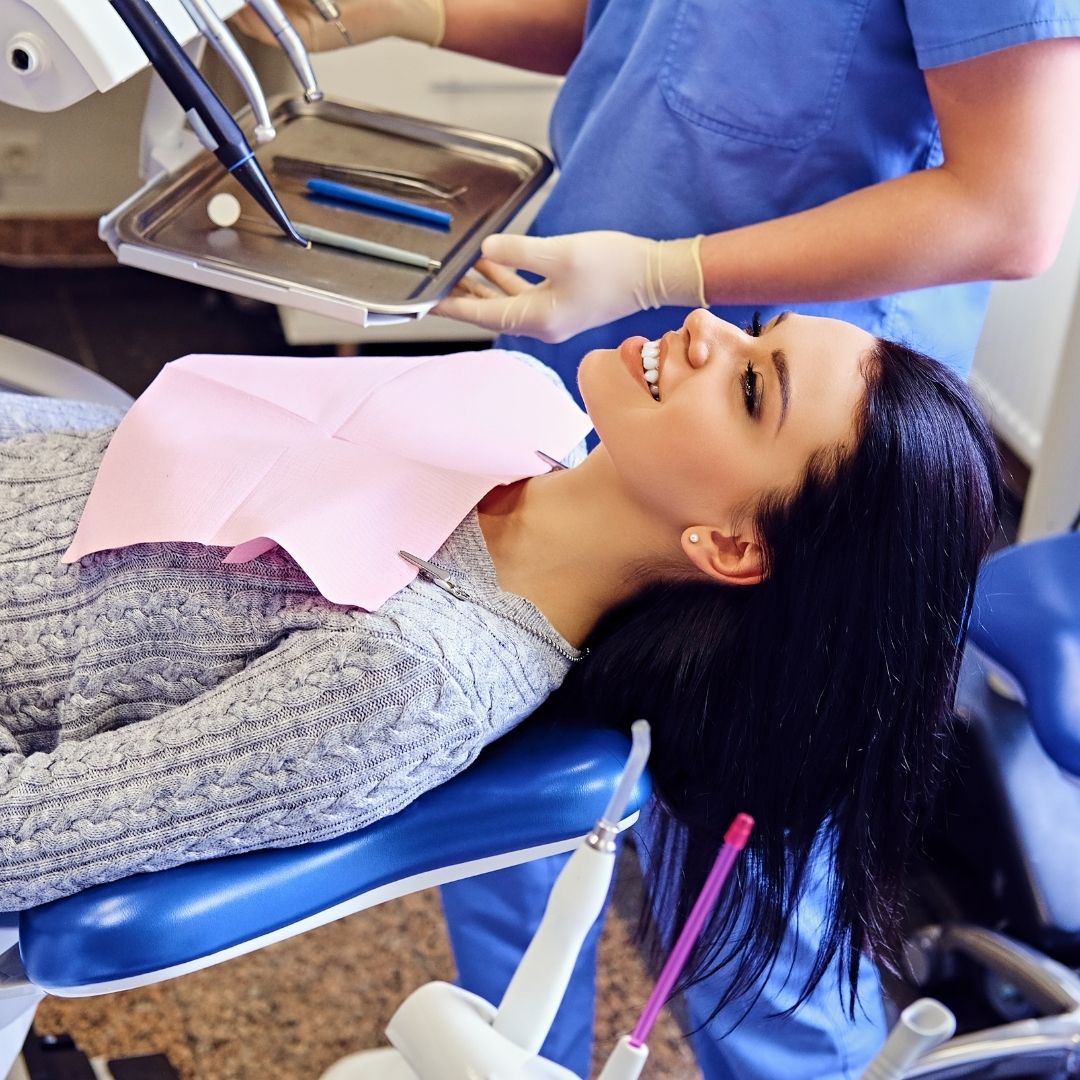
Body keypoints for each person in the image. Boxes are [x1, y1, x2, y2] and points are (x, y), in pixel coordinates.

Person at [232, 3, 1079, 1074]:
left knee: (752, 917)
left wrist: (670, 276)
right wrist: (414, 14)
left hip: (790, 464)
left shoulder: (745, 395)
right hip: (590, 376)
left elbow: (1011, 209)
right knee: (506, 815)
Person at [1, 311, 998, 1067]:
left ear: (731, 544)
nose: (703, 328)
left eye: (750, 390)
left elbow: (26, 835)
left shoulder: (415, 677)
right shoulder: (515, 406)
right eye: (756, 329)